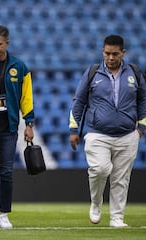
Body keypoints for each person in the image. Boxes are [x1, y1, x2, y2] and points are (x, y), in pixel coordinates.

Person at [69, 35, 146, 228]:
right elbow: (78, 101)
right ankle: (96, 203)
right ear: (103, 52)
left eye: (114, 54)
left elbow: (143, 100)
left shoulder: (134, 73)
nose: (110, 58)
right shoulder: (93, 73)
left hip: (128, 135)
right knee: (100, 169)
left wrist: (142, 127)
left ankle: (117, 218)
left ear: (123, 53)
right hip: (97, 133)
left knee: (121, 179)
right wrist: (73, 129)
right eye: (107, 53)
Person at [0, 25, 35, 229]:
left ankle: (3, 214)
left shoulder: (20, 67)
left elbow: (26, 98)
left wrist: (29, 124)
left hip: (9, 128)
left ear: (7, 43)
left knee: (6, 172)